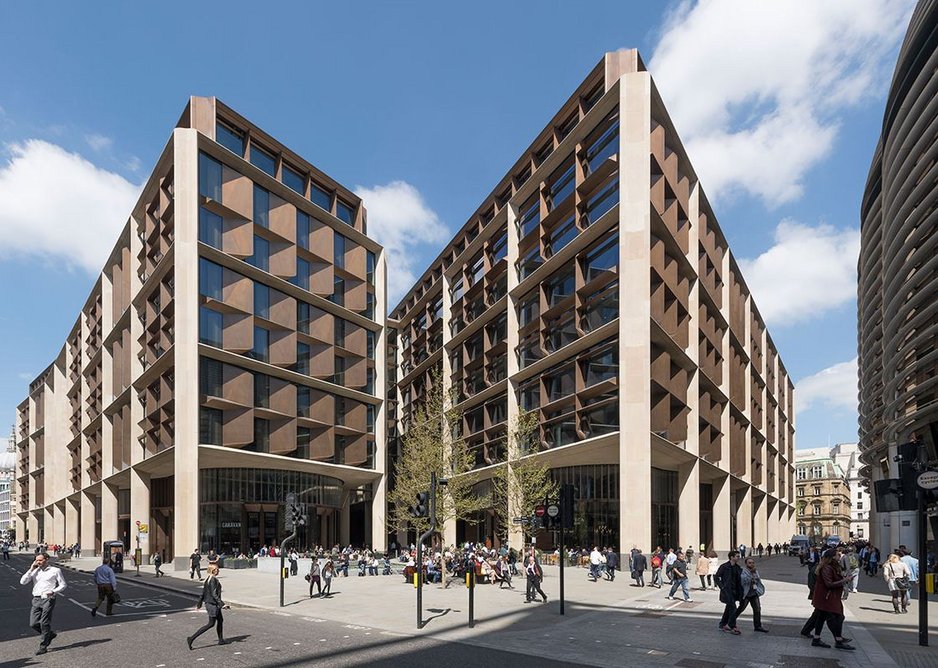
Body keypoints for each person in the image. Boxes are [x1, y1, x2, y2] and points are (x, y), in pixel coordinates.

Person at [19, 552, 67, 655]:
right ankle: (49, 634)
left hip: (48, 599)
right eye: (37, 560)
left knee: (44, 623)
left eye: (40, 560)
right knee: (33, 624)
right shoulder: (35, 571)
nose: (38, 562)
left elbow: (63, 585)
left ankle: (43, 646)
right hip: (36, 599)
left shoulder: (55, 570)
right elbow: (22, 582)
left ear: (47, 559)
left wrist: (53, 591)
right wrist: (31, 569)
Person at [809, 549, 855, 650]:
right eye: (837, 555)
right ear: (832, 557)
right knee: (838, 617)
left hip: (827, 597)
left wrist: (843, 578)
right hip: (827, 597)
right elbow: (829, 584)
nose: (840, 556)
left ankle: (817, 639)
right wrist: (844, 580)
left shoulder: (831, 567)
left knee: (821, 617)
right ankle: (838, 640)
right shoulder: (827, 568)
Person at [187, 564, 229, 649]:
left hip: (212, 604)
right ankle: (191, 638)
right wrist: (222, 604)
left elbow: (203, 593)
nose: (218, 570)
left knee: (220, 620)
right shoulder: (212, 580)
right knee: (211, 624)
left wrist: (199, 604)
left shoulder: (208, 579)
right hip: (212, 604)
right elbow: (214, 594)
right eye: (217, 569)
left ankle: (221, 640)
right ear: (213, 571)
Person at [735, 557, 768, 632]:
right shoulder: (743, 571)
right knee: (741, 609)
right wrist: (751, 575)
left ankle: (758, 626)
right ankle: (731, 622)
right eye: (750, 563)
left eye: (753, 563)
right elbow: (743, 581)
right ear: (746, 564)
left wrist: (754, 575)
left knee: (757, 609)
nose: (752, 564)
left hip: (754, 593)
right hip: (746, 594)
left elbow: (758, 579)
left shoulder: (755, 571)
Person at [715, 550, 743, 634]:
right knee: (733, 607)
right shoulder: (724, 566)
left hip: (735, 591)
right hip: (727, 590)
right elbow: (716, 577)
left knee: (729, 608)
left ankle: (722, 623)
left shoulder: (737, 567)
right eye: (737, 556)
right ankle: (732, 626)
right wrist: (722, 586)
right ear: (732, 557)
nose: (739, 558)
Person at [899, 547, 920, 612]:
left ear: (903, 553)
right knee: (909, 588)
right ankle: (907, 598)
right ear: (911, 553)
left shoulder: (901, 559)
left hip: (904, 576)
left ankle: (907, 599)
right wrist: (918, 577)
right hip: (913, 576)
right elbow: (918, 570)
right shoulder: (916, 560)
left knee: (906, 589)